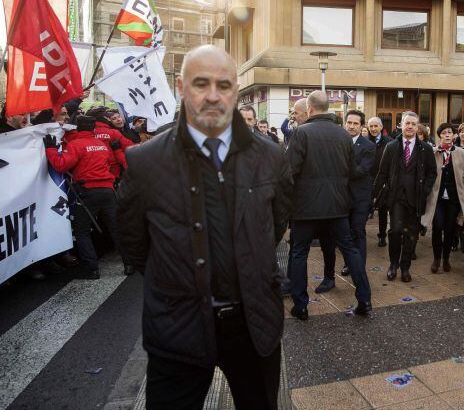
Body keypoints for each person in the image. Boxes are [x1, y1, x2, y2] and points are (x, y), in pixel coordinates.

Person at [116, 45, 292, 409]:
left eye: (224, 85)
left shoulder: (270, 157)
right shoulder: (145, 161)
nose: (213, 95)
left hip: (252, 326)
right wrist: (176, 278)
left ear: (236, 91)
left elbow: (275, 225)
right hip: (178, 328)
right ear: (181, 87)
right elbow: (133, 242)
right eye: (201, 83)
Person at [285, 91, 372, 319]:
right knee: (350, 249)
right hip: (337, 205)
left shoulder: (301, 133)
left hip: (305, 207)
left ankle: (301, 305)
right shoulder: (343, 136)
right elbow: (352, 170)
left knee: (299, 253)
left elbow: (289, 171)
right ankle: (365, 299)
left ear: (310, 109)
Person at [44, 115, 128, 278]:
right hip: (108, 191)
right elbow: (111, 164)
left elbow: (61, 165)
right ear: (93, 129)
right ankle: (129, 264)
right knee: (115, 228)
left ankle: (92, 269)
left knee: (81, 230)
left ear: (78, 128)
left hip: (87, 192)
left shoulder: (75, 144)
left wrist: (51, 150)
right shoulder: (101, 145)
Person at [373, 111, 437, 282]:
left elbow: (432, 172)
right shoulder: (392, 147)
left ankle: (405, 267)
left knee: (411, 234)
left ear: (417, 127)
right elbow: (382, 173)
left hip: (415, 198)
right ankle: (393, 265)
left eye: (413, 124)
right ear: (401, 125)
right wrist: (372, 195)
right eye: (407, 123)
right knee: (395, 231)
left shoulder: (426, 148)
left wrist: (425, 190)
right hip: (396, 198)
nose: (410, 127)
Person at [317, 109, 375, 293]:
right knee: (342, 234)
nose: (351, 126)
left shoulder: (368, 146)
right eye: (349, 122)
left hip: (359, 198)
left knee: (358, 232)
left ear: (361, 126)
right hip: (339, 197)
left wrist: (338, 168)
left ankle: (359, 269)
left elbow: (361, 171)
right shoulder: (337, 141)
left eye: (355, 123)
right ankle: (349, 264)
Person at [421, 123, 464, 273]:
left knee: (449, 229)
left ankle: (446, 259)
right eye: (444, 133)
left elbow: (463, 177)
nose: (447, 135)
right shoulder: (433, 152)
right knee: (437, 227)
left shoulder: (460, 152)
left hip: (454, 198)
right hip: (438, 198)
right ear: (439, 135)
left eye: (450, 133)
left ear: (454, 135)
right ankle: (436, 259)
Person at [367, 116, 393, 247]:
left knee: (382, 211)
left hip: (383, 182)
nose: (373, 129)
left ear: (381, 127)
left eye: (375, 126)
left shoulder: (389, 142)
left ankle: (382, 236)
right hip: (367, 181)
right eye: (370, 126)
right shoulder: (365, 141)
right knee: (365, 209)